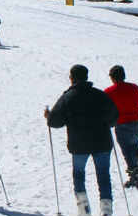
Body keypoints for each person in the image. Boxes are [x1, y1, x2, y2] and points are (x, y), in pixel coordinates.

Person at [45, 64, 118, 216]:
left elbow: (55, 122)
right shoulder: (99, 95)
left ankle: (83, 209)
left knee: (79, 174)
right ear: (86, 77)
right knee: (103, 174)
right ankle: (106, 210)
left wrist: (49, 115)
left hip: (79, 144)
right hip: (102, 141)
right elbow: (114, 116)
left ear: (71, 78)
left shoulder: (67, 97)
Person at [104, 65, 138, 190]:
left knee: (127, 150)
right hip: (136, 121)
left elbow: (106, 108)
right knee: (134, 143)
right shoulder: (133, 87)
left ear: (112, 78)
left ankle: (135, 175)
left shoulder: (109, 91)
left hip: (121, 123)